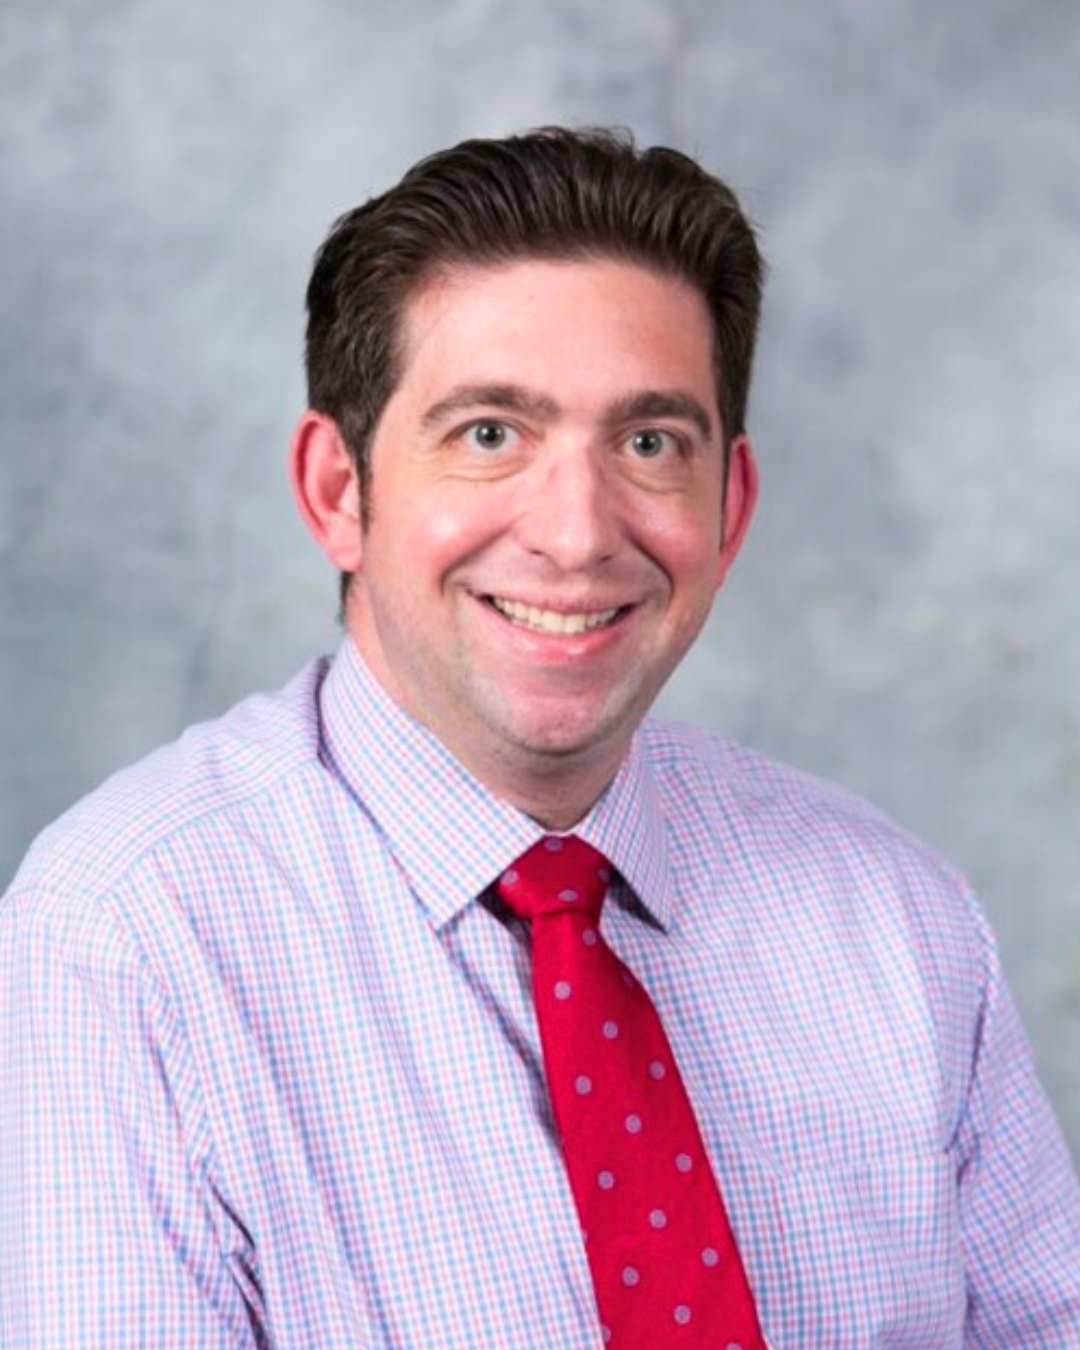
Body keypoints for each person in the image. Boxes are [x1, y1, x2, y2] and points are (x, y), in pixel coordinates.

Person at [1, 127, 1078, 1349]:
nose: (576, 534)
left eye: (649, 443)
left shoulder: (896, 917)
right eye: (490, 434)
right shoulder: (128, 935)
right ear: (337, 493)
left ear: (728, 508)